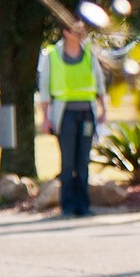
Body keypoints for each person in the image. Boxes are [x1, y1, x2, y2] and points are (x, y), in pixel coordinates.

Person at [36, 23, 105, 218]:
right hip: (64, 114)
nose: (81, 33)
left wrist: (103, 108)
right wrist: (45, 118)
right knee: (67, 162)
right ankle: (67, 206)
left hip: (86, 114)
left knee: (83, 162)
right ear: (66, 32)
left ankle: (83, 205)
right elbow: (45, 87)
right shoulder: (53, 55)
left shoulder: (89, 54)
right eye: (77, 30)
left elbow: (99, 81)